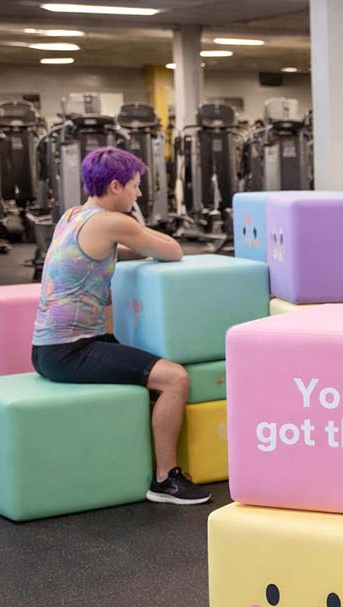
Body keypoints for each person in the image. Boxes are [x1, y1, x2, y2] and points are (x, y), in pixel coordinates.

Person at [31, 147, 211, 505]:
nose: (139, 194)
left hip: (46, 349)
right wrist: (139, 239)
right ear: (115, 186)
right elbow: (174, 250)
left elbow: (102, 254)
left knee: (141, 358)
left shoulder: (72, 216)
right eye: (135, 186)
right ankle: (166, 480)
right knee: (175, 378)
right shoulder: (112, 222)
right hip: (70, 351)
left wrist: (133, 245)